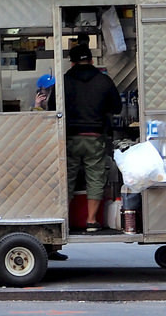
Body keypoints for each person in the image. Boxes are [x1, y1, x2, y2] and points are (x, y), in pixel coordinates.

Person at [64, 44, 122, 233]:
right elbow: (117, 107)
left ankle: (64, 219)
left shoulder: (65, 80)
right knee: (95, 177)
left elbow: (52, 107)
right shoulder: (103, 81)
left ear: (72, 63)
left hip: (69, 137)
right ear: (90, 60)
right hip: (95, 136)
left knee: (67, 178)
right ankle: (91, 221)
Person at [31, 73, 68, 261]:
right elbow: (35, 126)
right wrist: (38, 107)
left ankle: (52, 248)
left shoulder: (59, 105)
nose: (46, 94)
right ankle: (49, 247)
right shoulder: (42, 107)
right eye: (44, 91)